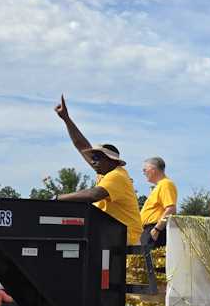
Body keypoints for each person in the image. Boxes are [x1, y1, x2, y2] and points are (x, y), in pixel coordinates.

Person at [54, 94, 143, 246]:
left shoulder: (117, 176)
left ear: (110, 160)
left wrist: (58, 198)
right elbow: (82, 146)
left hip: (126, 240)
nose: (93, 161)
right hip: (113, 235)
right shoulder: (105, 172)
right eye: (93, 158)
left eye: (97, 158)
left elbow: (94, 194)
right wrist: (66, 119)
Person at [139, 157, 178, 247]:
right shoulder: (160, 186)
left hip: (155, 229)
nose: (143, 173)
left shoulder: (166, 184)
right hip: (150, 229)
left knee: (151, 260)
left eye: (145, 170)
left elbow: (171, 209)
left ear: (153, 169)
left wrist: (157, 228)